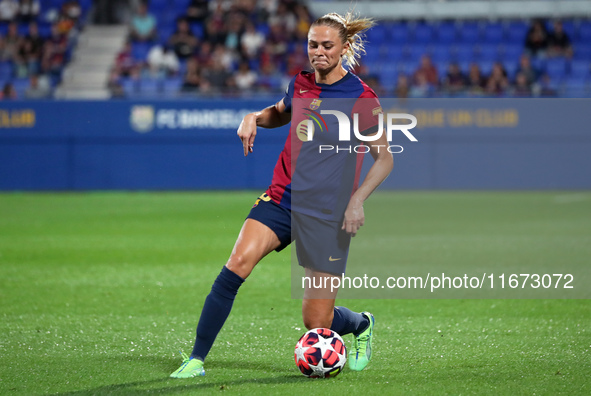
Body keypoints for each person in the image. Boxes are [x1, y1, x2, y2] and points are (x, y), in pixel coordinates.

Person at [170, 12, 393, 378]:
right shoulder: (300, 83)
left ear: (344, 48)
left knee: (315, 321)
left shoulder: (361, 97)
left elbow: (384, 159)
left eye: (326, 45)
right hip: (282, 198)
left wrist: (357, 200)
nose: (318, 52)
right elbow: (279, 113)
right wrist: (254, 117)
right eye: (312, 45)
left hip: (328, 213)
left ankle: (361, 324)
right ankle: (196, 359)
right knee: (236, 264)